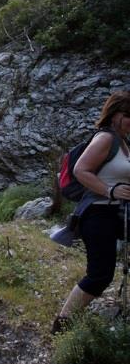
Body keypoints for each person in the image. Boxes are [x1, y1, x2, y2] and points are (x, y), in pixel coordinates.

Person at [52, 91, 130, 334]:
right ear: (115, 115)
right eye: (128, 116)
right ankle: (61, 327)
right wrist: (110, 191)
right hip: (98, 214)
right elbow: (81, 170)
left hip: (119, 213)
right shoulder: (106, 139)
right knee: (100, 275)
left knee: (102, 273)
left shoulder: (125, 142)